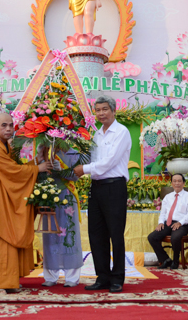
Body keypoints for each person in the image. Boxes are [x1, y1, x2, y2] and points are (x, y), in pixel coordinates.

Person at [0, 113, 50, 292]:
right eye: (4, 125)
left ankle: (9, 279)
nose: (8, 129)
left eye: (11, 125)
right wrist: (37, 168)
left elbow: (14, 169)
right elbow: (12, 171)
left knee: (8, 232)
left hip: (4, 195)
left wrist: (37, 160)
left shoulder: (5, 146)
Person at [73, 95, 132, 293]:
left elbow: (109, 162)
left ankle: (117, 278)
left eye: (105, 109)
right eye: (97, 110)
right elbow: (92, 161)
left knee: (115, 234)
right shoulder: (96, 134)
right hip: (97, 187)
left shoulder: (121, 132)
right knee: (97, 234)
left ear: (113, 111)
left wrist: (83, 169)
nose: (101, 113)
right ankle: (102, 277)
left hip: (114, 187)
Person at [41, 150, 84, 287]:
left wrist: (62, 170)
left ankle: (72, 277)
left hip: (67, 197)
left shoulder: (73, 153)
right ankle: (50, 275)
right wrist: (41, 160)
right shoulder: (45, 150)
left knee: (69, 235)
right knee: (49, 235)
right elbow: (38, 174)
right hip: (49, 196)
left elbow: (76, 176)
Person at [147, 173, 188, 270]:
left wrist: (180, 223)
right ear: (172, 183)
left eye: (179, 181)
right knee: (152, 237)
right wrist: (161, 222)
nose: (177, 183)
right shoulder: (167, 197)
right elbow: (163, 213)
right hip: (168, 223)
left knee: (175, 237)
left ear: (183, 183)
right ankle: (165, 259)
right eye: (174, 181)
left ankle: (176, 261)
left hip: (182, 224)